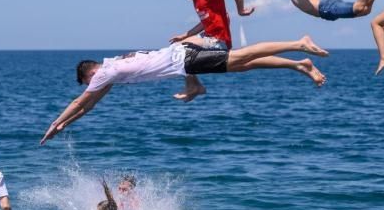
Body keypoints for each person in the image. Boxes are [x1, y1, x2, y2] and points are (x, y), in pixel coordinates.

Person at [40, 35, 328, 145]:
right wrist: (64, 124)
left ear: (89, 73)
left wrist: (55, 123)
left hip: (185, 58)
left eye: (87, 81)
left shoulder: (105, 72)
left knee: (243, 55)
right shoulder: (111, 70)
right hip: (185, 57)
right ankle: (297, 64)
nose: (91, 86)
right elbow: (88, 106)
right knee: (243, 65)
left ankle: (298, 43)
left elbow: (81, 101)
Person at [171, 0, 254, 102]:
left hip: (219, 41)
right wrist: (184, 35)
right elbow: (204, 23)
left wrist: (241, 10)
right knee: (178, 48)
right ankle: (194, 86)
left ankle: (194, 87)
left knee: (181, 48)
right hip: (208, 38)